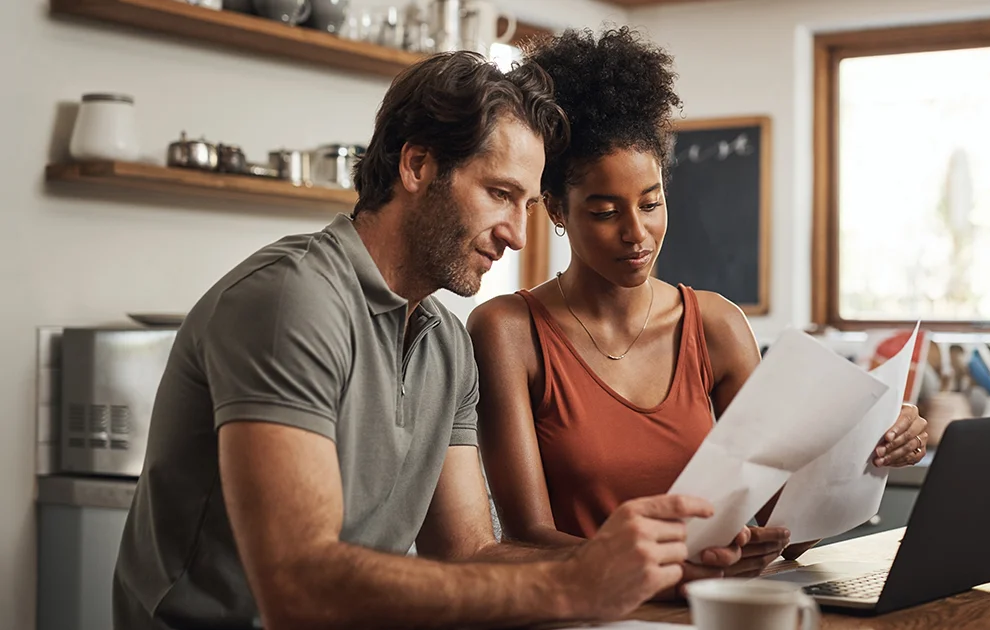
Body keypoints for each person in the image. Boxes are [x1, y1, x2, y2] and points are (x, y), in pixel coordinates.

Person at [112, 51, 741, 630]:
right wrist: (573, 587)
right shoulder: (292, 302)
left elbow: (468, 553)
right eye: (499, 194)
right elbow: (296, 587)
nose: (517, 235)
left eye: (526, 204)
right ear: (417, 166)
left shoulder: (444, 343)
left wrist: (645, 566)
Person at [468, 28, 930, 586]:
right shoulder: (507, 331)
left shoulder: (715, 325)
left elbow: (781, 525)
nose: (636, 233)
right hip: (587, 615)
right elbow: (527, 538)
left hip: (712, 608)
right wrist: (665, 570)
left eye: (651, 202)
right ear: (557, 209)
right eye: (604, 211)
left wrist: (869, 451)